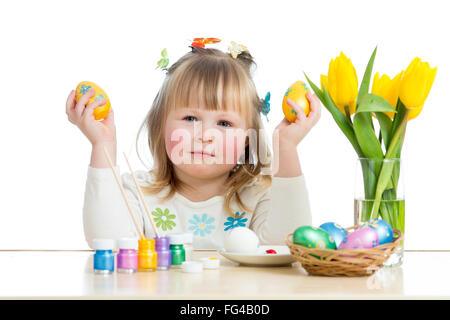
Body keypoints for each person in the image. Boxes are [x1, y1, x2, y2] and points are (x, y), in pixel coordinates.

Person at [65, 41, 321, 250]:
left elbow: (288, 244)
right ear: (161, 124)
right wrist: (102, 144)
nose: (204, 135)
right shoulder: (139, 192)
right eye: (190, 118)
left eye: (224, 123)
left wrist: (286, 146)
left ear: (247, 138)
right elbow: (107, 243)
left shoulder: (258, 197)